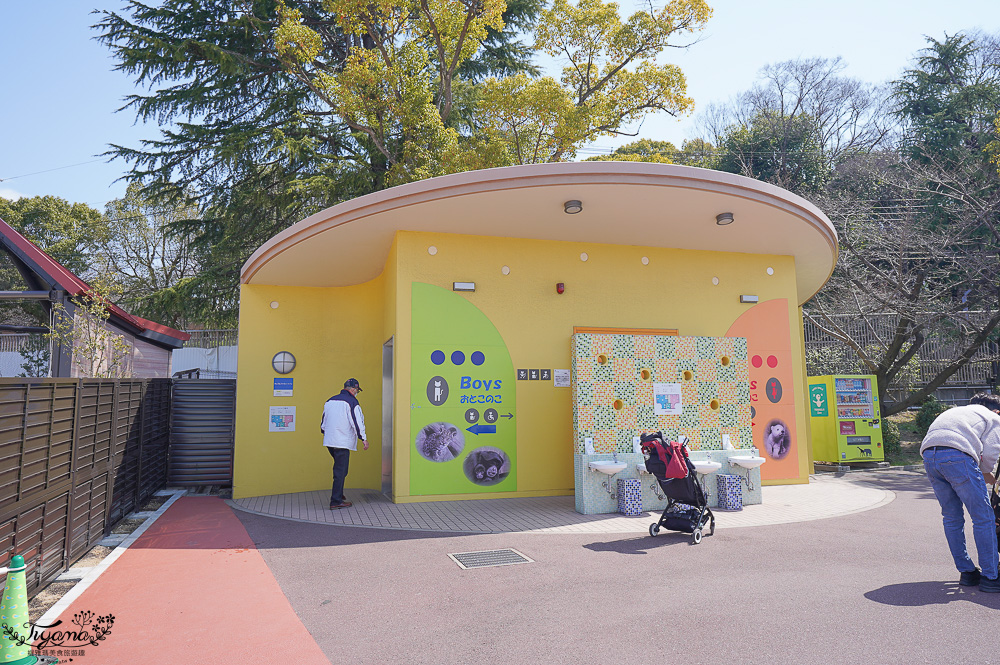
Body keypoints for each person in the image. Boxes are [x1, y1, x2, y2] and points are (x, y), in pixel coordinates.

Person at [920, 392, 1000, 592]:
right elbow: (991, 452)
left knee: (951, 517)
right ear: (997, 410)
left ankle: (967, 572)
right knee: (983, 517)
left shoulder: (958, 411)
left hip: (929, 456)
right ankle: (991, 577)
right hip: (958, 454)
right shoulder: (993, 417)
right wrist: (988, 474)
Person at [321, 378, 368, 509]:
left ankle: (339, 492)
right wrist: (363, 438)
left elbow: (323, 421)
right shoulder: (352, 402)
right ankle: (335, 501)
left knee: (341, 469)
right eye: (357, 390)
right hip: (342, 441)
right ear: (354, 389)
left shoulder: (330, 400)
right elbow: (357, 421)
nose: (357, 392)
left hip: (330, 441)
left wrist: (325, 433)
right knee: (340, 471)